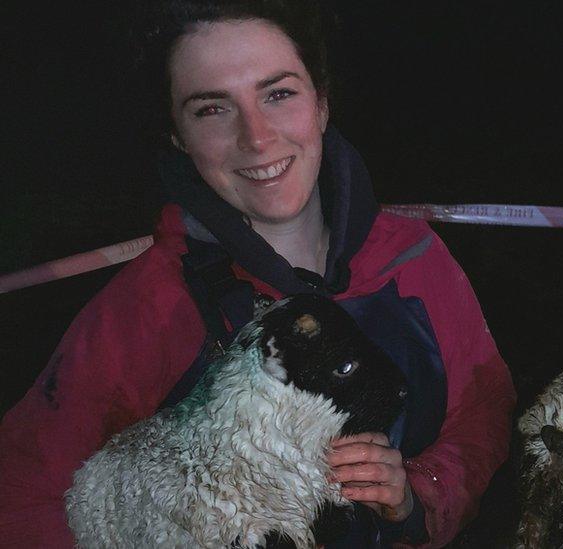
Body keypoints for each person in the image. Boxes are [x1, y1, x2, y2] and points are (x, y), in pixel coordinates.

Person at [0, 1, 515, 547]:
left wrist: (417, 496)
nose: (257, 137)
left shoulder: (414, 259)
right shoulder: (145, 308)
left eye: (278, 93)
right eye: (211, 109)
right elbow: (21, 494)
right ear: (177, 134)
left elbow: (481, 416)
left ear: (320, 102)